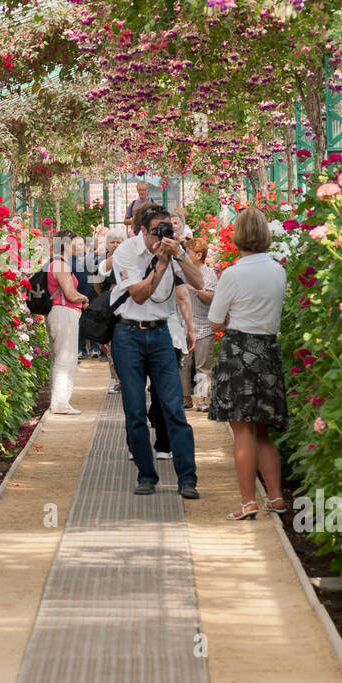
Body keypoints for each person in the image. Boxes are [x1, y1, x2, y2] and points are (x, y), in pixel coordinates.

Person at [109, 206, 204, 498]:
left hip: (162, 334)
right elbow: (138, 295)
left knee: (173, 408)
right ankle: (146, 476)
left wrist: (180, 255)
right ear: (143, 230)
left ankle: (187, 478)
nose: (162, 236)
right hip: (128, 335)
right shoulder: (125, 252)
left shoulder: (175, 252)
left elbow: (198, 284)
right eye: (157, 231)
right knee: (135, 410)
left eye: (168, 230)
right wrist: (161, 262)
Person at [206, 206, 288, 521]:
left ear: (239, 236)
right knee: (262, 430)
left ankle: (248, 501)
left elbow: (214, 322)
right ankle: (277, 497)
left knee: (242, 431)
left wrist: (233, 319)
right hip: (268, 350)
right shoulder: (277, 270)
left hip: (239, 350)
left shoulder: (233, 273)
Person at [46, 229, 90, 414]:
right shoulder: (61, 265)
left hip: (57, 313)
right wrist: (85, 299)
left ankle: (58, 401)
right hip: (64, 313)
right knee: (66, 360)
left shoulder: (53, 263)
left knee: (59, 358)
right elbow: (70, 294)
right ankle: (60, 403)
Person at [182, 238, 218, 411]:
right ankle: (185, 398)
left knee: (202, 366)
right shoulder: (182, 272)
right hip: (184, 326)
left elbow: (210, 297)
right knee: (184, 364)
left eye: (188, 253)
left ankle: (201, 400)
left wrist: (195, 288)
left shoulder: (209, 274)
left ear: (198, 255)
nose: (185, 256)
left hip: (204, 326)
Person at [96, 229, 125, 391]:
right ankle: (116, 379)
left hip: (124, 308)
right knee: (110, 345)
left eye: (118, 242)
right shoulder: (103, 261)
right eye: (112, 242)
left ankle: (125, 378)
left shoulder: (128, 259)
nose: (115, 245)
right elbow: (97, 280)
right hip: (108, 307)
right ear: (107, 244)